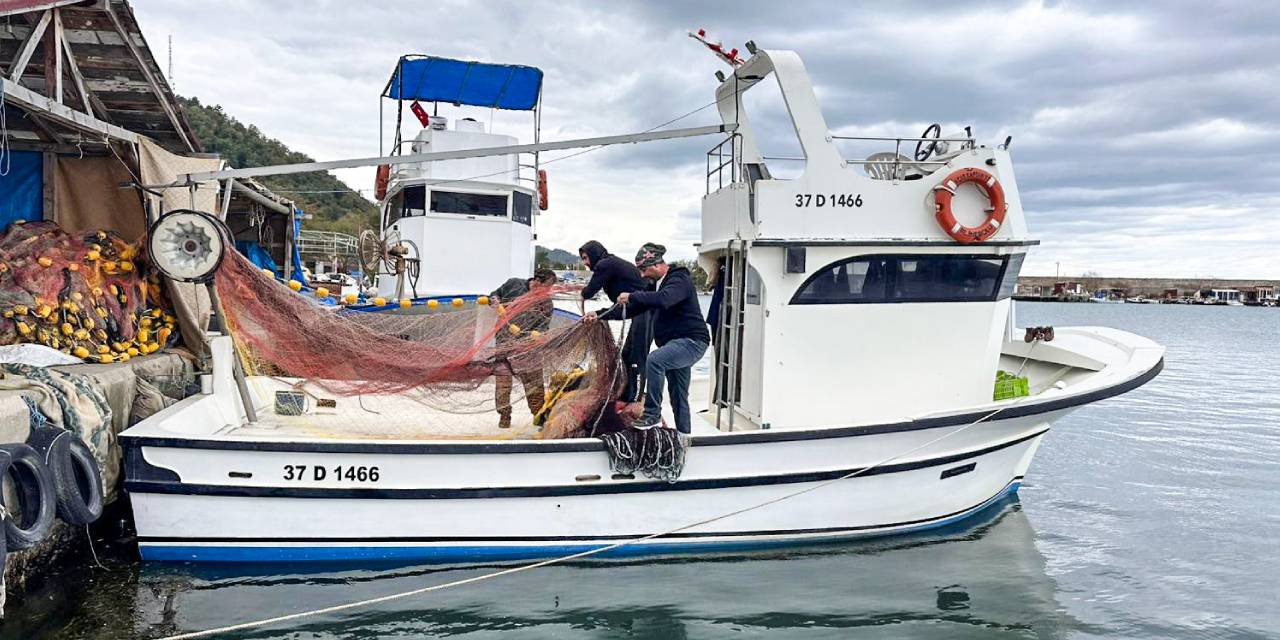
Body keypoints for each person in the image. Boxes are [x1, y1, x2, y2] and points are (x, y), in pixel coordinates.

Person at [590, 243, 709, 434]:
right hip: (674, 346)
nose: (642, 274)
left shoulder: (679, 279)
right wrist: (599, 314)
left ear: (656, 264)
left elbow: (665, 299)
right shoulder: (654, 286)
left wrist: (632, 295)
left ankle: (652, 415)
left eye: (644, 269)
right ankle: (684, 436)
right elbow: (633, 309)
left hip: (692, 342)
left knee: (654, 360)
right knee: (678, 395)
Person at [578, 240, 652, 403]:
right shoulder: (609, 263)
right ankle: (627, 394)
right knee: (627, 354)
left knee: (637, 355)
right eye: (582, 259)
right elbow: (619, 308)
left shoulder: (604, 264)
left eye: (585, 258)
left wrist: (583, 295)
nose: (585, 263)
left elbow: (590, 291)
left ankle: (634, 399)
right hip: (639, 310)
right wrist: (598, 314)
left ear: (594, 254)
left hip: (648, 309)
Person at [490, 268, 557, 429]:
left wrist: (535, 337)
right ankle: (504, 416)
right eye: (546, 287)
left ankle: (538, 415)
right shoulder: (514, 284)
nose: (548, 292)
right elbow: (494, 295)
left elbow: (543, 328)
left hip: (527, 348)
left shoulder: (546, 303)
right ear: (536, 281)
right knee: (503, 381)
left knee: (534, 381)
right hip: (504, 342)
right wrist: (494, 300)